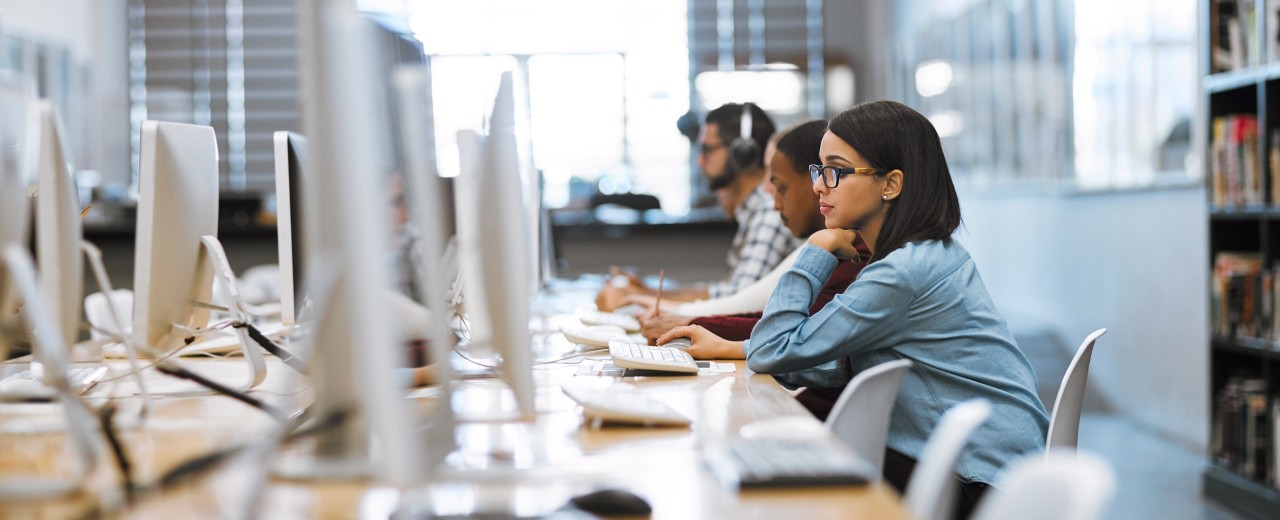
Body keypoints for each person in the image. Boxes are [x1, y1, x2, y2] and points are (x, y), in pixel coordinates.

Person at [658, 100, 1049, 519]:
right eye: (819, 169)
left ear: (891, 184)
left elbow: (775, 349)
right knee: (776, 461)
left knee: (768, 477)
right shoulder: (922, 255)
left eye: (836, 171)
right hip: (996, 467)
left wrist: (815, 250)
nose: (819, 186)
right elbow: (842, 360)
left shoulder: (901, 273)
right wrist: (731, 348)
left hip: (978, 481)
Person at [596, 102, 799, 309]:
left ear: (742, 154)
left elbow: (736, 303)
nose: (699, 161)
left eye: (707, 149)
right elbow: (726, 292)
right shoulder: (754, 212)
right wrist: (647, 291)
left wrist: (639, 298)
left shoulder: (768, 213)